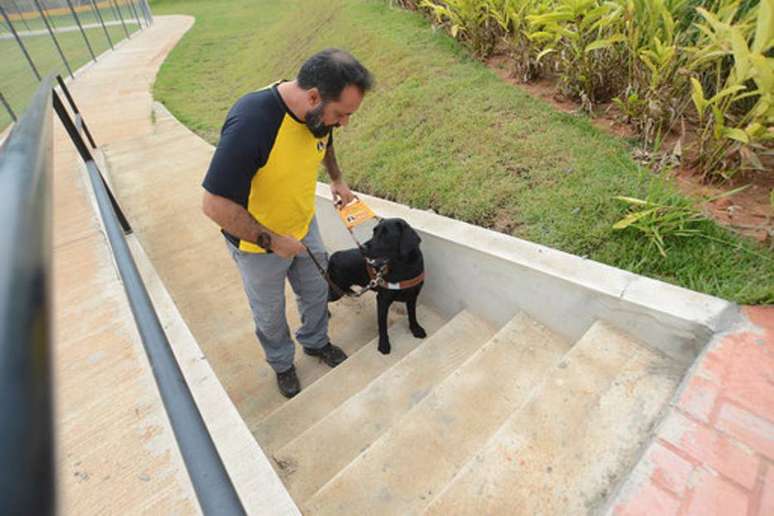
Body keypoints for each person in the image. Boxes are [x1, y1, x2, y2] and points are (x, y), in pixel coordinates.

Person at [201, 49, 374, 398]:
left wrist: (337, 180)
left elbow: (325, 140)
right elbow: (214, 205)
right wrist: (273, 241)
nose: (344, 123)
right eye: (341, 114)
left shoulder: (316, 116)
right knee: (270, 314)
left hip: (303, 224)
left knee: (314, 293)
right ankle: (282, 364)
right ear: (312, 96)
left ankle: (315, 341)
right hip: (256, 245)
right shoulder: (253, 122)